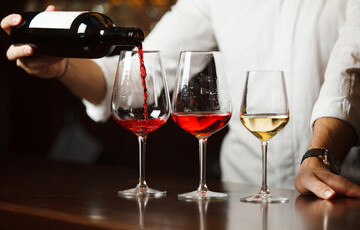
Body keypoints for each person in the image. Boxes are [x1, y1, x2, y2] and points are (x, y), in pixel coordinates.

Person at [2, 0, 360, 199]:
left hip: (342, 195)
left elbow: (350, 69)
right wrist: (62, 66)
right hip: (243, 197)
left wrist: (320, 157)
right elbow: (129, 78)